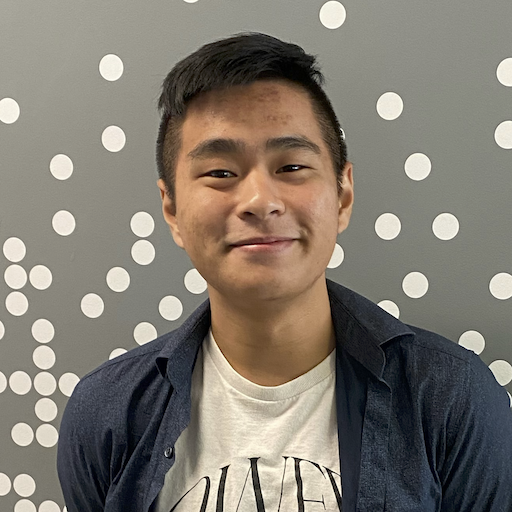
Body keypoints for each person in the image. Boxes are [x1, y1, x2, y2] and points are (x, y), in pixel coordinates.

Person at [57, 32, 512, 512]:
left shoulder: (450, 398)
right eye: (220, 173)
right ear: (171, 208)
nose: (260, 201)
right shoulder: (106, 411)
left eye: (292, 166)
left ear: (342, 195)